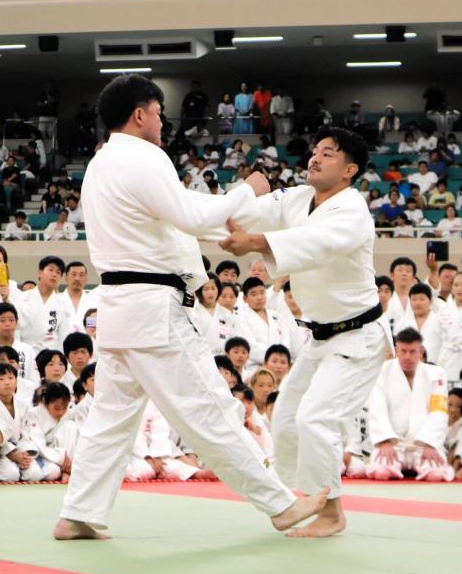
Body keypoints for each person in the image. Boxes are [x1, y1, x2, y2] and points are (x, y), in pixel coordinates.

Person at [56, 75, 327, 540]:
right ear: (140, 114)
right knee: (210, 408)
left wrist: (240, 228)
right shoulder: (142, 157)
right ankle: (280, 504)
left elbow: (181, 218)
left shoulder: (102, 164)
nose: (162, 122)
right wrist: (249, 189)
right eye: (159, 112)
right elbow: (192, 216)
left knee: (111, 419)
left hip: (122, 308)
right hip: (153, 310)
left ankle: (79, 512)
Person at [219, 125, 389, 537]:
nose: (315, 157)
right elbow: (245, 215)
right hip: (321, 336)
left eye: (328, 153)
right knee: (288, 418)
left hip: (358, 337)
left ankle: (332, 511)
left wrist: (258, 243)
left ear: (350, 169)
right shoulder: (297, 198)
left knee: (317, 419)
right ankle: (306, 495)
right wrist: (242, 194)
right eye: (315, 150)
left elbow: (314, 245)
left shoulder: (352, 211)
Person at [366, 328, 453, 481]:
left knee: (436, 475)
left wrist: (430, 443)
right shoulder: (381, 372)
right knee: (381, 472)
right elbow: (377, 409)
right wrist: (385, 441)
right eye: (403, 351)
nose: (407, 356)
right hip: (393, 445)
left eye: (412, 351)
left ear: (421, 351)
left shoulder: (436, 374)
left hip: (423, 446)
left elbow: (439, 412)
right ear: (396, 351)